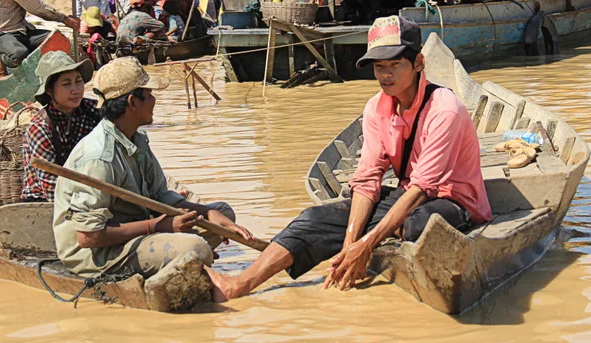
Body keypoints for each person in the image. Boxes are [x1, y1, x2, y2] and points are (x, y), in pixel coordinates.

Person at [206, 16, 493, 301]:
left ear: (418, 64)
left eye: (395, 65)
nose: (385, 75)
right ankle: (240, 284)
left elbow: (421, 191)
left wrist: (366, 244)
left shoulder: (445, 109)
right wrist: (349, 243)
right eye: (379, 67)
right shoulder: (375, 109)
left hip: (454, 200)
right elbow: (368, 180)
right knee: (314, 218)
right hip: (409, 194)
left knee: (419, 225)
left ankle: (382, 246)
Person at [52, 56, 254, 279]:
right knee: (195, 248)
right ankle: (180, 260)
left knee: (223, 212)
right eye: (149, 95)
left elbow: (159, 194)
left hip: (135, 228)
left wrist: (207, 212)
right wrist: (158, 226)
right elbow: (88, 237)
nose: (154, 100)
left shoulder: (136, 139)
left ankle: (177, 259)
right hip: (96, 253)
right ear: (133, 102)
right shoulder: (99, 158)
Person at [21, 51, 101, 202]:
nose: (75, 89)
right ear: (50, 90)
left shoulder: (93, 114)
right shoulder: (39, 128)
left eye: (78, 81)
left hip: (89, 191)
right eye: (66, 84)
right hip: (44, 199)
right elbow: (50, 186)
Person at [0, 0, 81, 79]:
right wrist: (65, 19)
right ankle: (0, 59)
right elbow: (38, 8)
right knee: (18, 54)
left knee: (57, 39)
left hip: (21, 30)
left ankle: (45, 75)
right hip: (0, 34)